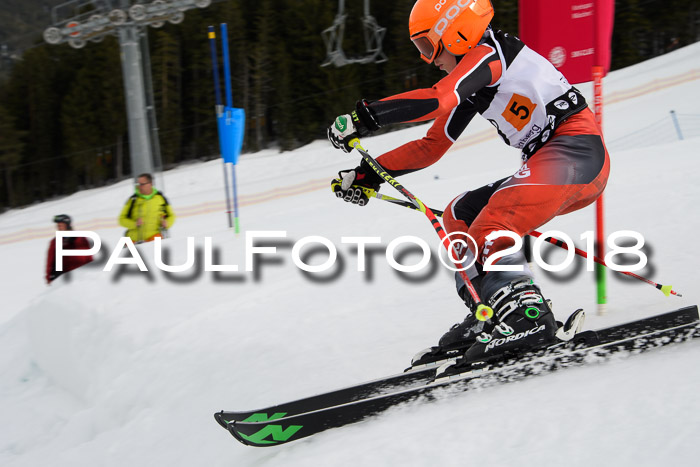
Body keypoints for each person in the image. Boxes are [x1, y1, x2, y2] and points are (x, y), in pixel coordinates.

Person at [327, 0, 609, 364]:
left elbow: (439, 98)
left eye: (428, 46)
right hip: (555, 162)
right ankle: (489, 312)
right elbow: (431, 146)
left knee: (496, 220)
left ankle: (526, 315)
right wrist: (368, 174)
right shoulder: (474, 82)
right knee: (460, 213)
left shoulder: (490, 54)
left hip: (577, 153)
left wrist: (367, 116)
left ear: (455, 32)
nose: (427, 59)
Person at [119, 173, 175, 243]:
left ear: (150, 184)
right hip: (134, 241)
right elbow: (121, 219)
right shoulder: (133, 199)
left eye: (142, 184)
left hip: (154, 238)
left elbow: (172, 215)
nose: (139, 187)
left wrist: (167, 223)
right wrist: (134, 224)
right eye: (138, 184)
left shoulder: (160, 198)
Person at [45, 214, 93, 284]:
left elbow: (88, 257)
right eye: (58, 225)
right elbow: (50, 260)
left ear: (67, 225)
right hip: (60, 277)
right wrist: (49, 277)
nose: (59, 227)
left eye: (61, 225)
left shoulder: (80, 238)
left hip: (79, 275)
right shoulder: (54, 241)